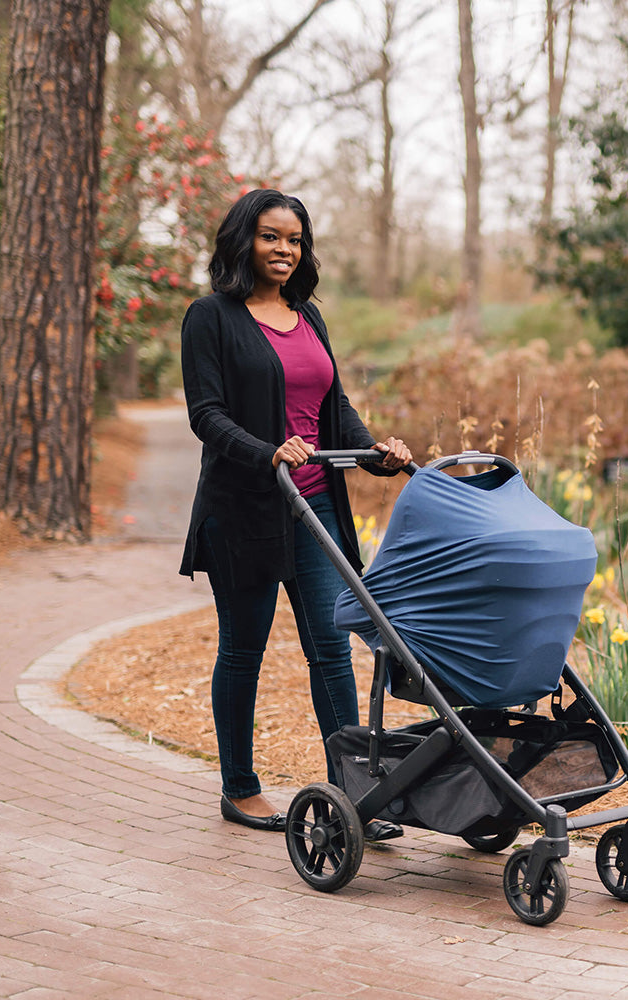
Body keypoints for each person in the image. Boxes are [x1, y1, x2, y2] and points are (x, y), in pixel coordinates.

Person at [180, 188, 411, 839]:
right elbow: (207, 415)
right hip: (244, 510)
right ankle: (239, 789)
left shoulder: (309, 316)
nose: (284, 250)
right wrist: (267, 453)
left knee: (331, 652)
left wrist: (375, 453)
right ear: (243, 240)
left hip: (316, 510)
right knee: (243, 650)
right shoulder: (211, 317)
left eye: (295, 239)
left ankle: (355, 795)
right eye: (271, 237)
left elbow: (333, 409)